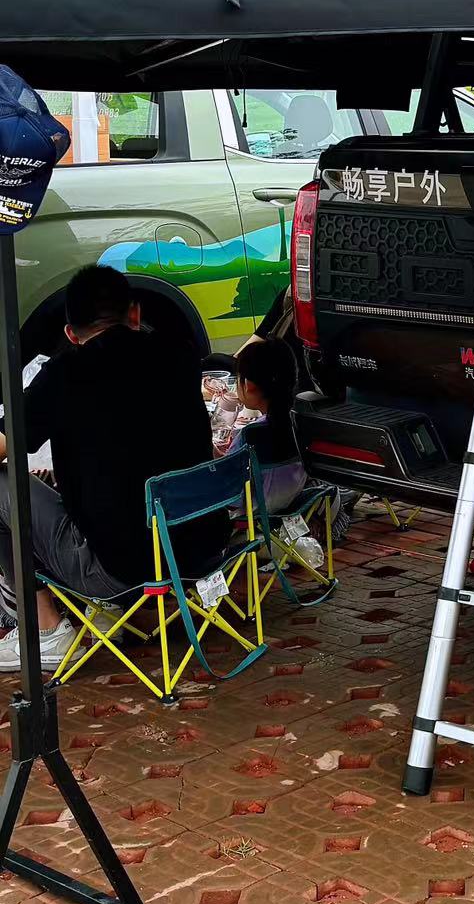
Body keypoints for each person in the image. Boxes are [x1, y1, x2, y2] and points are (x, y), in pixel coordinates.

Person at [0, 265, 218, 671]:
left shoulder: (64, 373)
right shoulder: (179, 353)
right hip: (201, 549)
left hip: (121, 568)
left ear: (70, 334)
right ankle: (108, 616)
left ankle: (47, 631)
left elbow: (3, 446)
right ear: (134, 313)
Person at [229, 336, 325, 570]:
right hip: (292, 502)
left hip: (250, 516)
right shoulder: (302, 423)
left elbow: (228, 489)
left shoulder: (251, 435)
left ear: (249, 386)